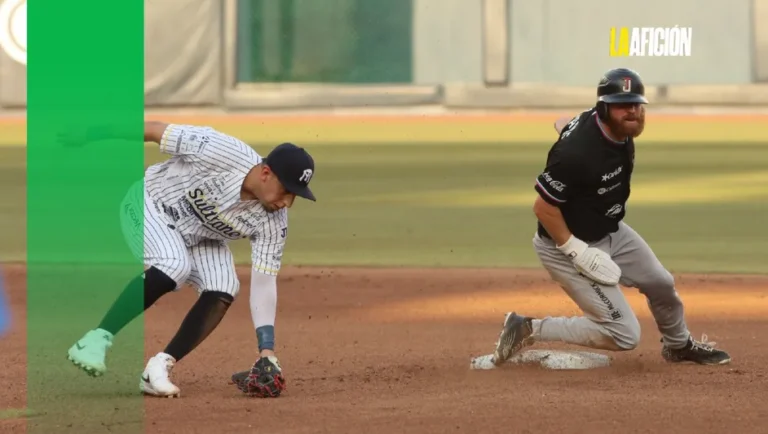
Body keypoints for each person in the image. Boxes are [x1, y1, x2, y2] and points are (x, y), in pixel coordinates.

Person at [489, 68, 731, 367]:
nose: (631, 111)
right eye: (621, 105)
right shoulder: (576, 153)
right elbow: (543, 208)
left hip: (609, 228)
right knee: (624, 335)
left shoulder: (619, 130)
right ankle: (527, 327)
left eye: (636, 104)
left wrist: (567, 128)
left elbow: (565, 122)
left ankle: (678, 345)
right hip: (564, 244)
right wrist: (576, 251)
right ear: (603, 108)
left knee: (661, 283)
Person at [62, 121, 317, 398]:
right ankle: (96, 338)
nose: (288, 203)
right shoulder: (220, 151)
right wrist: (90, 132)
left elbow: (265, 282)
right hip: (150, 203)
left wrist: (266, 349)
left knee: (224, 287)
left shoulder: (273, 220)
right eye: (286, 191)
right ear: (266, 173)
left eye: (296, 195)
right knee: (174, 266)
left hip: (199, 235)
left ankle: (158, 368)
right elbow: (152, 130)